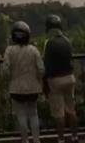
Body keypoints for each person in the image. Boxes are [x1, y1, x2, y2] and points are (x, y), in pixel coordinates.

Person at [2, 21, 44, 143]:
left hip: (16, 88)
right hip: (33, 88)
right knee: (33, 114)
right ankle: (36, 140)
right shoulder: (34, 50)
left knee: (21, 115)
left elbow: (5, 70)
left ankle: (25, 140)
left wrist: (10, 78)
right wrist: (37, 79)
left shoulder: (9, 50)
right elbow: (41, 69)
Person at [44, 14, 78, 143]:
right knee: (71, 109)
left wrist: (45, 84)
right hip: (70, 77)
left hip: (56, 80)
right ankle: (75, 137)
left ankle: (61, 139)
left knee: (59, 113)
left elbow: (46, 65)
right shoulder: (67, 41)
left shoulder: (49, 43)